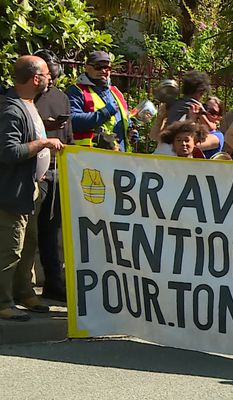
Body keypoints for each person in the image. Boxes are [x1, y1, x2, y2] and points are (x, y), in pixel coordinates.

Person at [0, 55, 64, 321]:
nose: (51, 78)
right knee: (10, 248)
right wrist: (44, 143)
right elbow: (8, 151)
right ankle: (3, 301)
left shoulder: (28, 104)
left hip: (31, 188)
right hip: (12, 192)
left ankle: (23, 292)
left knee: (30, 243)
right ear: (36, 78)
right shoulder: (10, 109)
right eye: (47, 74)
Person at [33, 49, 74, 301]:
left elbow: (68, 135)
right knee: (25, 235)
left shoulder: (62, 97)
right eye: (48, 66)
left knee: (52, 230)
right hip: (35, 172)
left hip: (58, 170)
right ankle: (18, 287)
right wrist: (42, 127)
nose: (53, 70)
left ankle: (54, 282)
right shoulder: (22, 99)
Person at [66, 51, 132, 151]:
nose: (103, 71)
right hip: (91, 156)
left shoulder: (116, 92)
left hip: (119, 154)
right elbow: (72, 121)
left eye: (107, 68)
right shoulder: (76, 91)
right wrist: (104, 113)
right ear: (86, 67)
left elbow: (125, 118)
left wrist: (131, 130)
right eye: (98, 67)